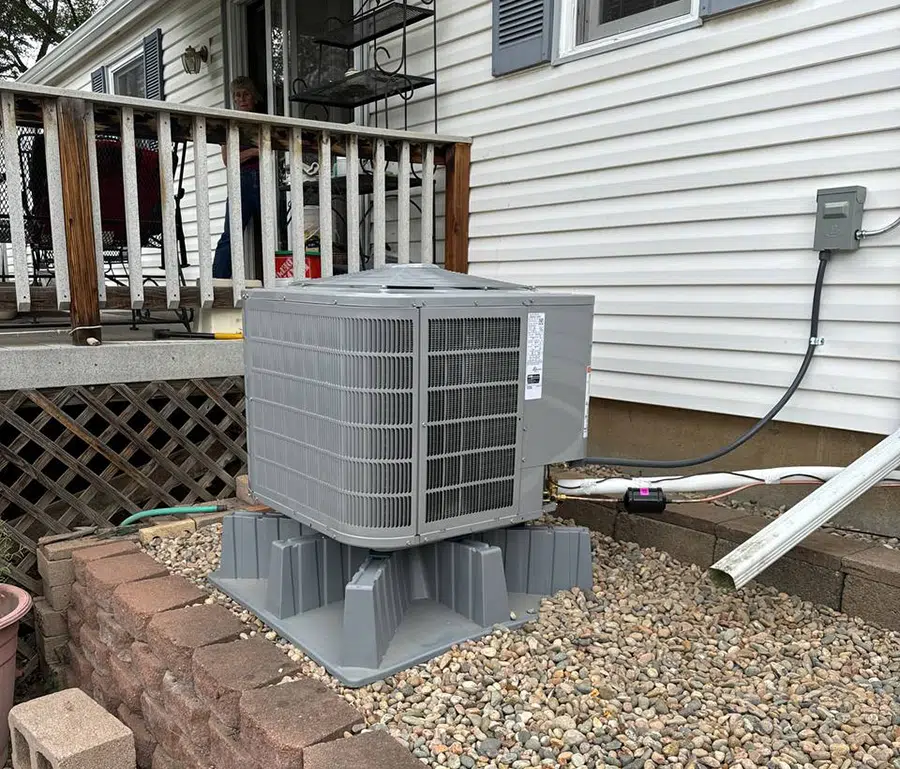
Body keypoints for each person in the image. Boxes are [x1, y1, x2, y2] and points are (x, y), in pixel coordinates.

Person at [212, 77, 263, 279]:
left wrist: (253, 152)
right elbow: (229, 159)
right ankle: (219, 283)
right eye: (237, 95)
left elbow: (268, 150)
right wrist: (252, 152)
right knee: (231, 235)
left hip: (263, 179)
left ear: (254, 97)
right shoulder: (229, 124)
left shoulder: (261, 123)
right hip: (240, 181)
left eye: (246, 94)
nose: (242, 99)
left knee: (272, 231)